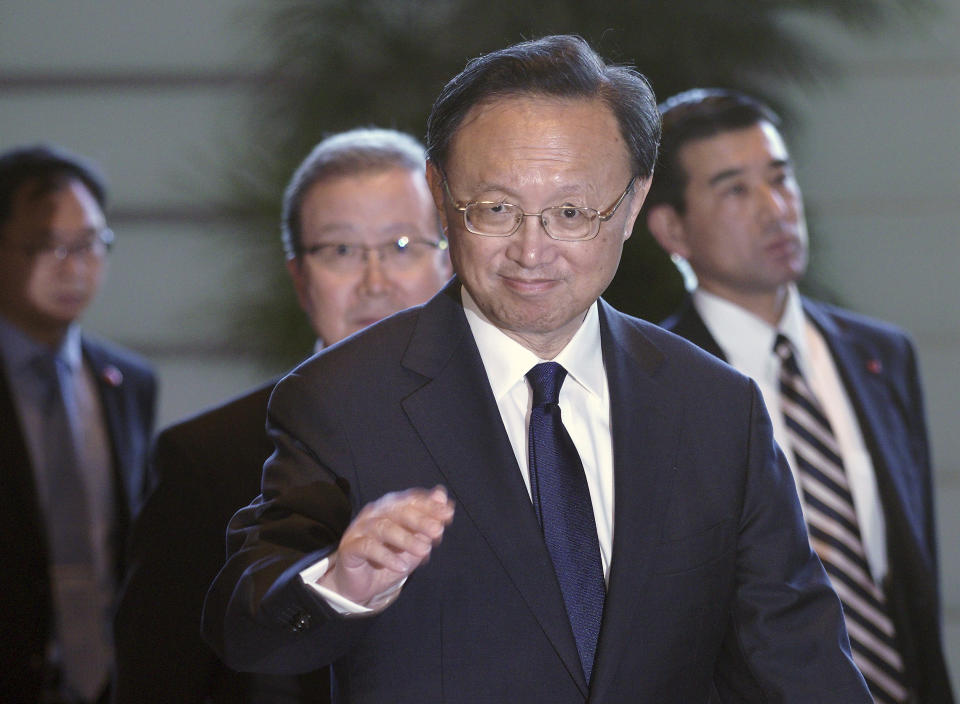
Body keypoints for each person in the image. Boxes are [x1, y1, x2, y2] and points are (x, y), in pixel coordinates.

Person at [202, 36, 873, 703]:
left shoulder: (716, 407)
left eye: (572, 214)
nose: (531, 249)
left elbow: (800, 662)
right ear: (439, 194)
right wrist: (338, 584)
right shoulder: (342, 399)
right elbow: (248, 630)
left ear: (634, 205)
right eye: (496, 209)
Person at [112, 128, 452, 704]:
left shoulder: (515, 419)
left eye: (401, 246)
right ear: (300, 278)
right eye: (341, 251)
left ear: (448, 264)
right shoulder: (205, 458)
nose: (374, 282)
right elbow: (158, 677)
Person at [645, 88, 954, 703]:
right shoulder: (654, 387)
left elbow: (910, 586)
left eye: (780, 179)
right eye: (735, 190)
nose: (775, 209)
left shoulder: (881, 355)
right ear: (672, 228)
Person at [0, 144, 157, 703]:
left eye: (89, 244)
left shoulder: (128, 382)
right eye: (48, 246)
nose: (75, 266)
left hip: (114, 683)